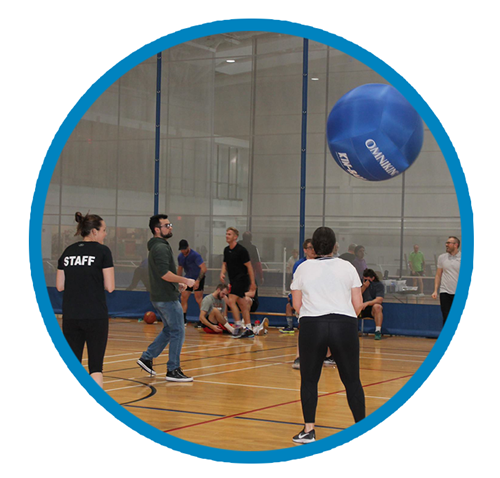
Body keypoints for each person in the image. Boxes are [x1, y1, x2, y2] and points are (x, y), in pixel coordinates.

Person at [290, 226, 365, 443]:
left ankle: (309, 430)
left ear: (313, 246)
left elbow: (296, 305)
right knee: (352, 381)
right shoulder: (348, 267)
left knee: (309, 380)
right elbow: (358, 305)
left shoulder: (303, 268)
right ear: (334, 246)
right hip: (344, 325)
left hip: (313, 325)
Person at [56, 212, 115, 388]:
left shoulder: (68, 251)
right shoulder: (103, 251)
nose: (105, 234)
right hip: (95, 316)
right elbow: (110, 286)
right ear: (94, 232)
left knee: (72, 366)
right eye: (104, 230)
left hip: (71, 316)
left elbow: (59, 286)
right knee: (95, 367)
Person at [137, 215, 195, 382]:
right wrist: (185, 280)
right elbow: (164, 274)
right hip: (166, 298)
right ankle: (173, 369)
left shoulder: (159, 246)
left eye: (170, 224)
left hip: (162, 295)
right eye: (166, 225)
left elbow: (164, 275)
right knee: (178, 331)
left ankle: (147, 358)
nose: (170, 227)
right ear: (157, 229)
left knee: (170, 329)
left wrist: (177, 285)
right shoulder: (160, 248)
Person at [220, 227, 257, 338]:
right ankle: (249, 328)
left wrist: (253, 282)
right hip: (233, 279)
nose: (227, 236)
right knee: (242, 303)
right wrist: (222, 273)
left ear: (235, 237)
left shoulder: (242, 250)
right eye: (226, 234)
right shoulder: (226, 250)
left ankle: (238, 327)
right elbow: (224, 263)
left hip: (242, 279)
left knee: (231, 301)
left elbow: (249, 267)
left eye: (229, 234)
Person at [281, 238, 315, 335]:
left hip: (314, 297)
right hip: (302, 295)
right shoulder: (299, 264)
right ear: (305, 250)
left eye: (314, 248)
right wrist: (292, 296)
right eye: (310, 248)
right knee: (289, 305)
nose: (313, 250)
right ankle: (290, 326)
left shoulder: (320, 263)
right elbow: (295, 282)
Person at [177, 239, 207, 326]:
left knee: (198, 298)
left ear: (188, 247)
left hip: (198, 277)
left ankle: (203, 319)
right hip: (188, 278)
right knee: (183, 297)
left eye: (184, 249)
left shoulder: (195, 255)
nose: (183, 251)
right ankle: (183, 319)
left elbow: (204, 268)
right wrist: (179, 281)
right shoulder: (180, 257)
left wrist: (198, 281)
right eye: (181, 249)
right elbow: (180, 269)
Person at [432, 236, 461, 325]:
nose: (446, 245)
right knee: (446, 316)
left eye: (449, 243)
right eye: (446, 243)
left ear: (456, 245)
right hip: (445, 292)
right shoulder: (442, 257)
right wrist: (435, 290)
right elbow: (438, 275)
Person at [360, 268, 385, 340]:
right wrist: (364, 287)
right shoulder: (360, 284)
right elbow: (356, 296)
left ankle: (378, 331)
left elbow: (379, 300)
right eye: (365, 280)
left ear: (373, 278)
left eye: (368, 280)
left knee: (378, 307)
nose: (366, 282)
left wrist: (367, 303)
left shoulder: (379, 285)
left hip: (371, 307)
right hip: (361, 307)